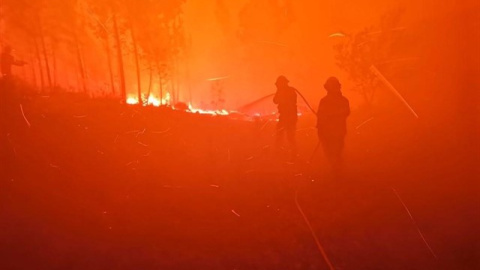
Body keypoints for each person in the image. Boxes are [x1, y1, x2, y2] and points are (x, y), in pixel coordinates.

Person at [317, 77, 350, 171]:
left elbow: (346, 112)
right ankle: (336, 170)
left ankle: (338, 171)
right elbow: (320, 116)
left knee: (337, 152)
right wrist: (320, 129)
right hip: (327, 132)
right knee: (329, 153)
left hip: (338, 132)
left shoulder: (343, 100)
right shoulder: (324, 101)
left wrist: (330, 116)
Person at [273, 75, 298, 159]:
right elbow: (275, 101)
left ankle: (293, 153)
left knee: (290, 136)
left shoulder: (290, 91)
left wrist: (281, 94)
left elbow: (291, 102)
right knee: (279, 133)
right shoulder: (281, 91)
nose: (277, 86)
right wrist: (279, 92)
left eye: (278, 84)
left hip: (289, 116)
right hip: (284, 116)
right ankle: (279, 152)